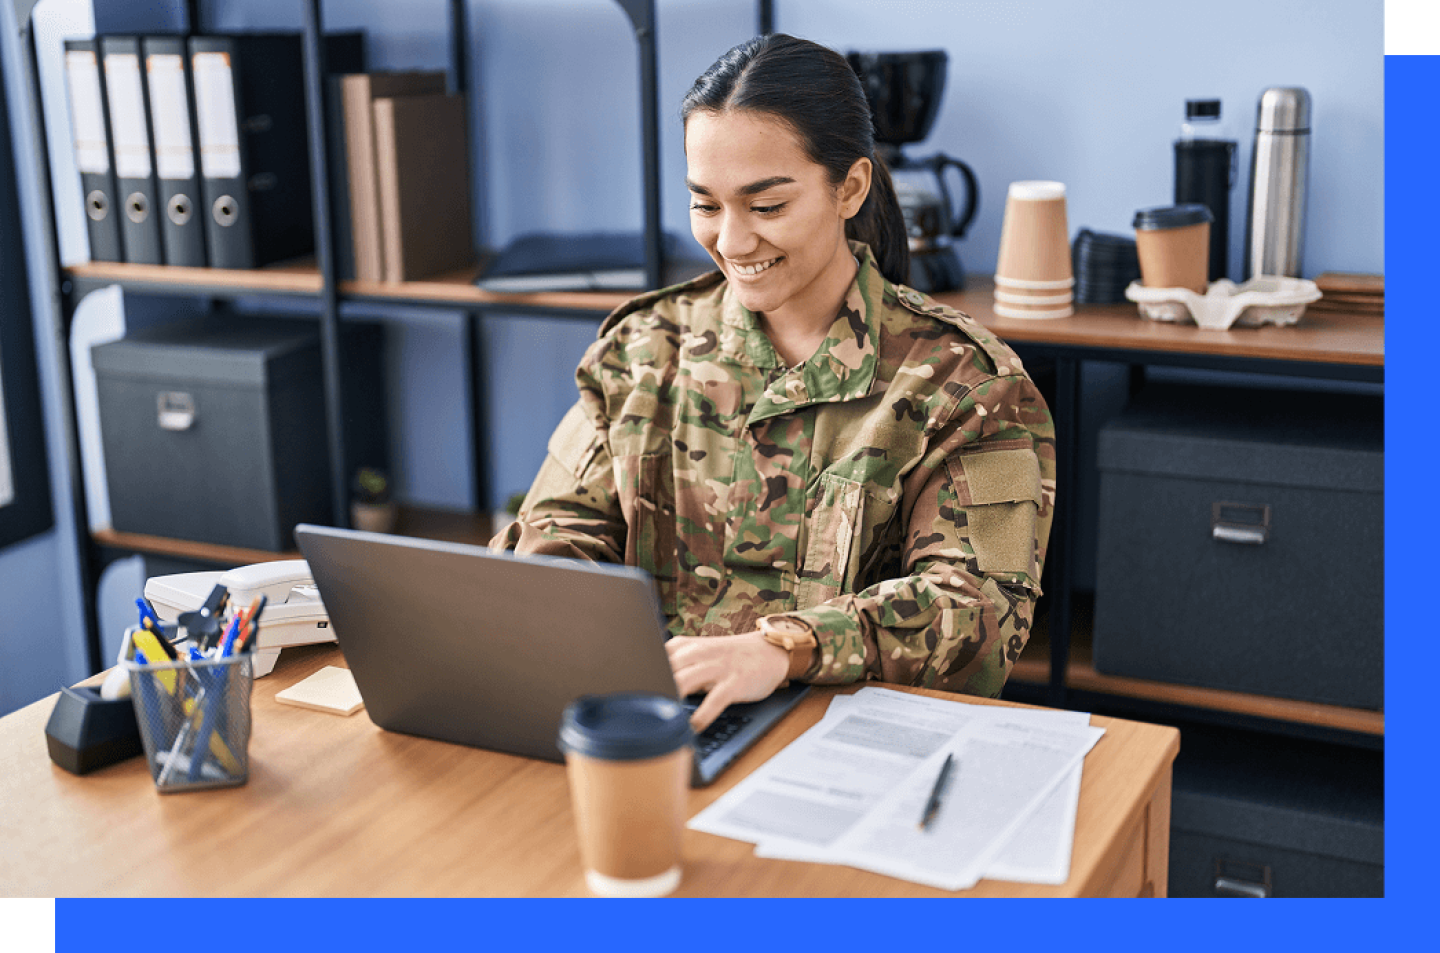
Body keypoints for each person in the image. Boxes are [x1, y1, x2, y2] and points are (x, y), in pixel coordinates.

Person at [491, 33, 1055, 732]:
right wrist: (549, 599)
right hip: (656, 728)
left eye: (766, 206)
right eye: (706, 204)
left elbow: (978, 617)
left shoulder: (967, 385)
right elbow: (556, 527)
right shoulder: (642, 349)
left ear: (849, 187)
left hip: (843, 741)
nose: (731, 241)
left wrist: (785, 647)